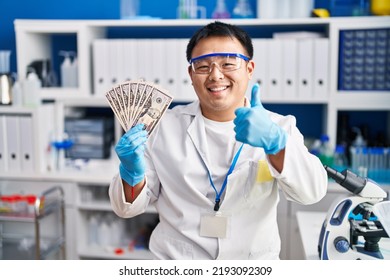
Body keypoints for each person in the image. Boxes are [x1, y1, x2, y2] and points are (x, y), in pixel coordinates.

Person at [109, 21, 328, 260]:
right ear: (191, 75)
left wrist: (277, 146)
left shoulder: (278, 127)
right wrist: (131, 173)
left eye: (228, 64)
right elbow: (127, 208)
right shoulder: (162, 127)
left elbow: (312, 193)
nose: (215, 75)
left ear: (249, 68)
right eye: (203, 66)